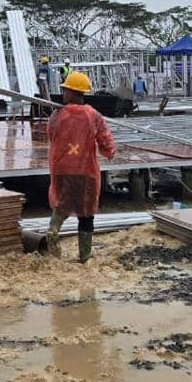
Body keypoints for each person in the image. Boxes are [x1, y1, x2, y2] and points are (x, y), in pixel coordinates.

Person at [46, 71, 116, 263]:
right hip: (86, 171)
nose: (63, 94)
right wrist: (109, 152)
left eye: (66, 90)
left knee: (61, 204)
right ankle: (84, 257)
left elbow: (50, 134)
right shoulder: (93, 115)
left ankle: (52, 232)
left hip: (62, 170)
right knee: (86, 214)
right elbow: (105, 139)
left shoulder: (57, 114)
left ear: (74, 93)